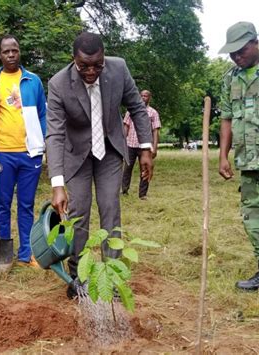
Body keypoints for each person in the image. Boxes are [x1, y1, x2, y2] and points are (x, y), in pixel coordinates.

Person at [46, 32, 153, 298]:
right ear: (74, 60)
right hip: (77, 156)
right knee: (78, 213)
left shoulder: (118, 69)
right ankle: (77, 276)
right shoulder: (59, 84)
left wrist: (145, 149)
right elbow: (55, 134)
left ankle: (111, 274)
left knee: (110, 209)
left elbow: (137, 109)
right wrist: (57, 184)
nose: (91, 71)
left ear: (104, 58)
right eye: (84, 66)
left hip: (109, 152)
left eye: (97, 65)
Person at [218, 21, 259, 299]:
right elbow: (227, 119)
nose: (236, 57)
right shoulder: (230, 78)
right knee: (253, 218)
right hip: (248, 161)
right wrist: (223, 155)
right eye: (232, 53)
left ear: (255, 43)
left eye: (241, 50)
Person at [0, 34, 46, 267]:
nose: (11, 55)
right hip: (2, 154)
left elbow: (42, 114)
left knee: (26, 204)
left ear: (19, 52)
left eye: (14, 50)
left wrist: (41, 143)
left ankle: (27, 254)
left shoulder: (33, 81)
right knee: (2, 205)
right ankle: (4, 253)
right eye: (6, 51)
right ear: (0, 55)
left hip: (29, 154)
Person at [122, 90, 161, 200]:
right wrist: (122, 142)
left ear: (150, 98)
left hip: (145, 146)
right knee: (127, 168)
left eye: (146, 96)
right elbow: (126, 127)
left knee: (145, 169)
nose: (143, 97)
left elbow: (155, 131)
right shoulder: (130, 111)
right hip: (131, 144)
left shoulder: (153, 113)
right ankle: (124, 190)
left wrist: (155, 147)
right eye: (142, 95)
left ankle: (142, 194)